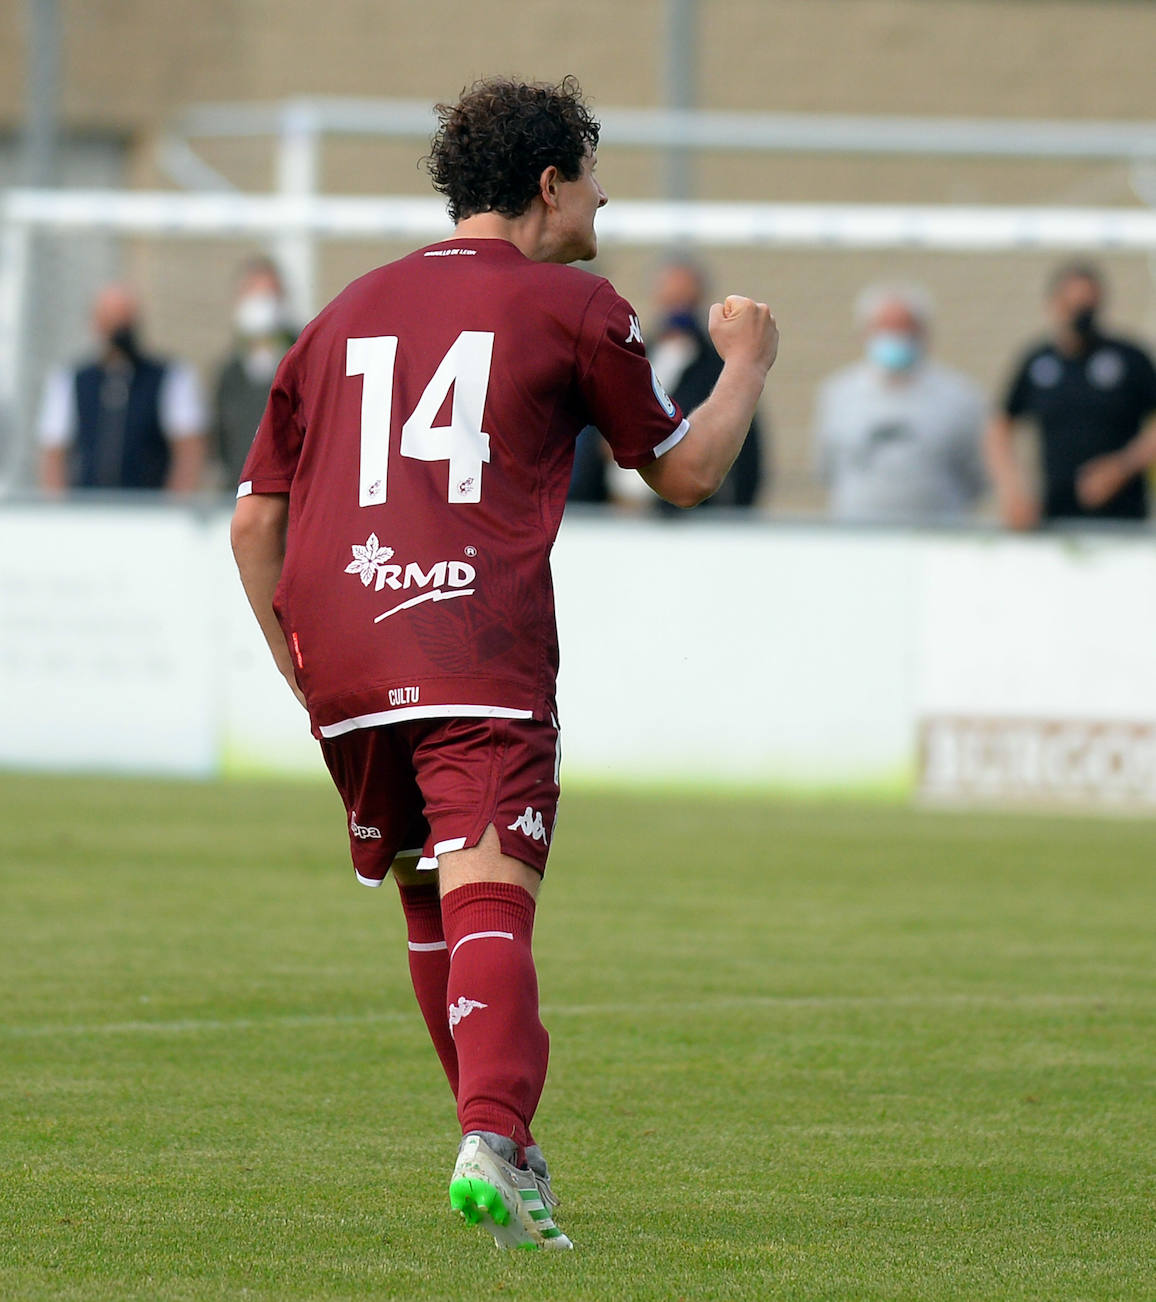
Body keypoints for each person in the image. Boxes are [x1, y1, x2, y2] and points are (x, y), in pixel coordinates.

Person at [230, 76, 777, 1252]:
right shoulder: (574, 305)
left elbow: (251, 521)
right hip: (469, 644)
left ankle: (507, 1150)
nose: (602, 197)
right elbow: (683, 475)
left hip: (344, 655)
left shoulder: (342, 312)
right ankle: (490, 1133)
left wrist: (300, 666)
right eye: (590, 175)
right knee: (493, 898)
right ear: (546, 184)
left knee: (432, 901)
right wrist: (745, 362)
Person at [986, 262, 1156, 528]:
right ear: (1054, 304)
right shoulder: (1037, 363)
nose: (1080, 314)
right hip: (1055, 516)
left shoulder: (1129, 359)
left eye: (1087, 306)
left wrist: (1121, 467)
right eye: (1072, 305)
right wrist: (1012, 490)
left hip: (1124, 519)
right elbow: (999, 426)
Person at [812, 283, 986, 523]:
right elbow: (827, 468)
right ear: (866, 332)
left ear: (923, 332)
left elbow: (975, 475)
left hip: (936, 534)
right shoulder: (838, 393)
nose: (895, 336)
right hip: (856, 535)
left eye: (904, 327)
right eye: (886, 327)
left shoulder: (960, 395)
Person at [37, 284, 206, 493]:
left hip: (148, 510)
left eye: (123, 320)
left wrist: (173, 511)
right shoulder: (70, 379)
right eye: (109, 319)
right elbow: (54, 454)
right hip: (86, 510)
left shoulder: (171, 377)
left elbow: (188, 451)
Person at [650, 255, 765, 511]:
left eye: (686, 301)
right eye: (672, 300)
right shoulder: (637, 354)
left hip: (688, 513)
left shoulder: (717, 367)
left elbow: (747, 450)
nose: (678, 311)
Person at [212, 257, 296, 490]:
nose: (261, 304)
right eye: (253, 294)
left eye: (269, 294)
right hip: (243, 494)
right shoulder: (229, 373)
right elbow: (221, 442)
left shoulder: (304, 360)